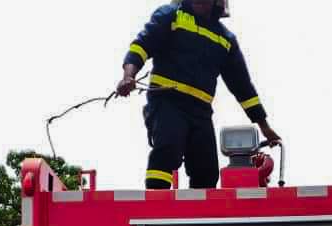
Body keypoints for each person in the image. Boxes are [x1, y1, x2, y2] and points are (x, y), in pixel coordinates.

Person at [118, 0, 280, 189]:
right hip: (167, 102)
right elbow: (141, 46)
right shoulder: (171, 15)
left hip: (201, 112)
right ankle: (156, 204)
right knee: (167, 149)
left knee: (207, 170)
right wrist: (128, 76)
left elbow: (243, 88)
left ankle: (197, 215)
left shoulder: (225, 39)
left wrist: (264, 126)